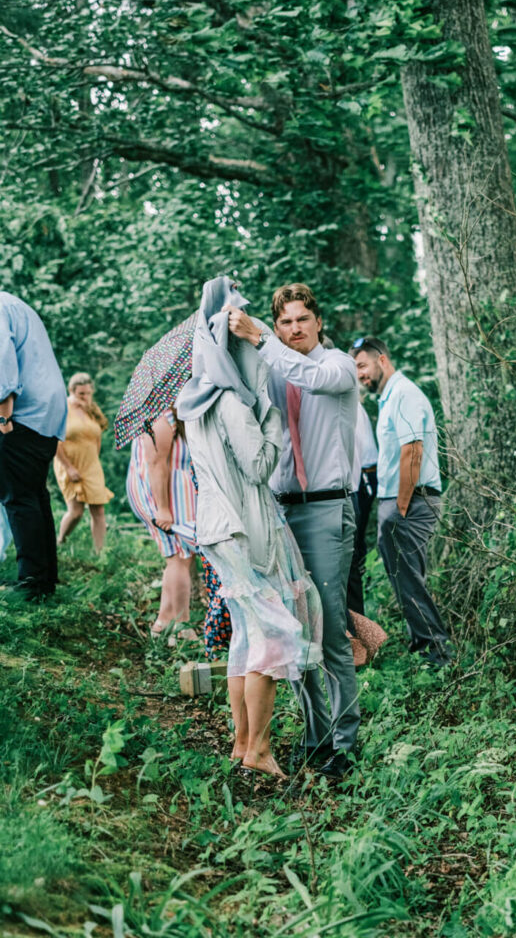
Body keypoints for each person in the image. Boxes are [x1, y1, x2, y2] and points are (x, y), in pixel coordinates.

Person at [177, 277, 323, 779]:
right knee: (275, 635)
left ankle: (242, 744)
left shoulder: (194, 401)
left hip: (216, 528)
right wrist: (274, 421)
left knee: (245, 636)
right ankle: (259, 749)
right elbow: (260, 466)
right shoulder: (232, 402)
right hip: (243, 529)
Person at [227, 282, 360, 779]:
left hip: (327, 509)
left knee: (329, 632)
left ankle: (345, 745)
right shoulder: (273, 371)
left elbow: (313, 379)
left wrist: (263, 341)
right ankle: (316, 737)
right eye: (284, 322)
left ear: (318, 321)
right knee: (296, 631)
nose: (293, 329)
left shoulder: (338, 365)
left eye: (302, 319)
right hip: (281, 513)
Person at [351, 337, 453, 666]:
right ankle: (424, 649)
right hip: (400, 501)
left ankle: (436, 655)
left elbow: (413, 450)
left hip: (411, 501)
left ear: (382, 360)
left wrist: (402, 505)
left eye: (363, 366)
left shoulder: (405, 394)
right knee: (406, 580)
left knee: (409, 580)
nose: (360, 375)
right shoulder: (389, 398)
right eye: (356, 369)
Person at [0, 292, 67, 600]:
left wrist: (2, 417)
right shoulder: (14, 303)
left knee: (18, 498)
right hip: (47, 414)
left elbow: (2, 362)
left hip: (21, 415)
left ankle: (31, 583)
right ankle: (45, 579)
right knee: (35, 495)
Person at [126, 409, 198, 644]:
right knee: (179, 556)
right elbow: (156, 463)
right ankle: (182, 626)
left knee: (180, 557)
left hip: (176, 492)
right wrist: (163, 508)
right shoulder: (160, 416)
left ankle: (163, 622)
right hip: (167, 494)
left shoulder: (171, 414)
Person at [54, 372, 113, 554]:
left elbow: (97, 437)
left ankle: (99, 553)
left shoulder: (91, 409)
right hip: (69, 462)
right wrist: (68, 467)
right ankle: (60, 540)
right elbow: (54, 441)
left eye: (88, 393)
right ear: (71, 391)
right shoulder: (62, 408)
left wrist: (95, 459)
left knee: (99, 510)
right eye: (81, 394)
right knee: (76, 511)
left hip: (91, 464)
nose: (85, 397)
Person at [347, 401, 379, 620]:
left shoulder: (351, 406)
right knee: (354, 549)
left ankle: (359, 625)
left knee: (352, 551)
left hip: (361, 481)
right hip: (358, 482)